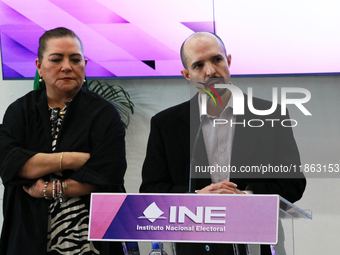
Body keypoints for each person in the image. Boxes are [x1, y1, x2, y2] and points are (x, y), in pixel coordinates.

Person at [140, 32, 306, 254]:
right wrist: (198, 196)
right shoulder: (166, 124)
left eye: (216, 60)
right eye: (198, 65)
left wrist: (244, 197)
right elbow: (151, 189)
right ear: (187, 74)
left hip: (256, 240)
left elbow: (293, 183)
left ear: (228, 61)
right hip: (193, 243)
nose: (210, 71)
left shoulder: (271, 116)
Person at [0, 27, 126, 254]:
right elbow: (10, 165)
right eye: (56, 59)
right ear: (39, 66)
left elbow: (108, 174)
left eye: (75, 59)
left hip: (92, 237)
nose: (67, 66)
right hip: (30, 234)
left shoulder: (104, 113)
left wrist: (49, 188)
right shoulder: (20, 111)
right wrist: (71, 159)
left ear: (84, 65)